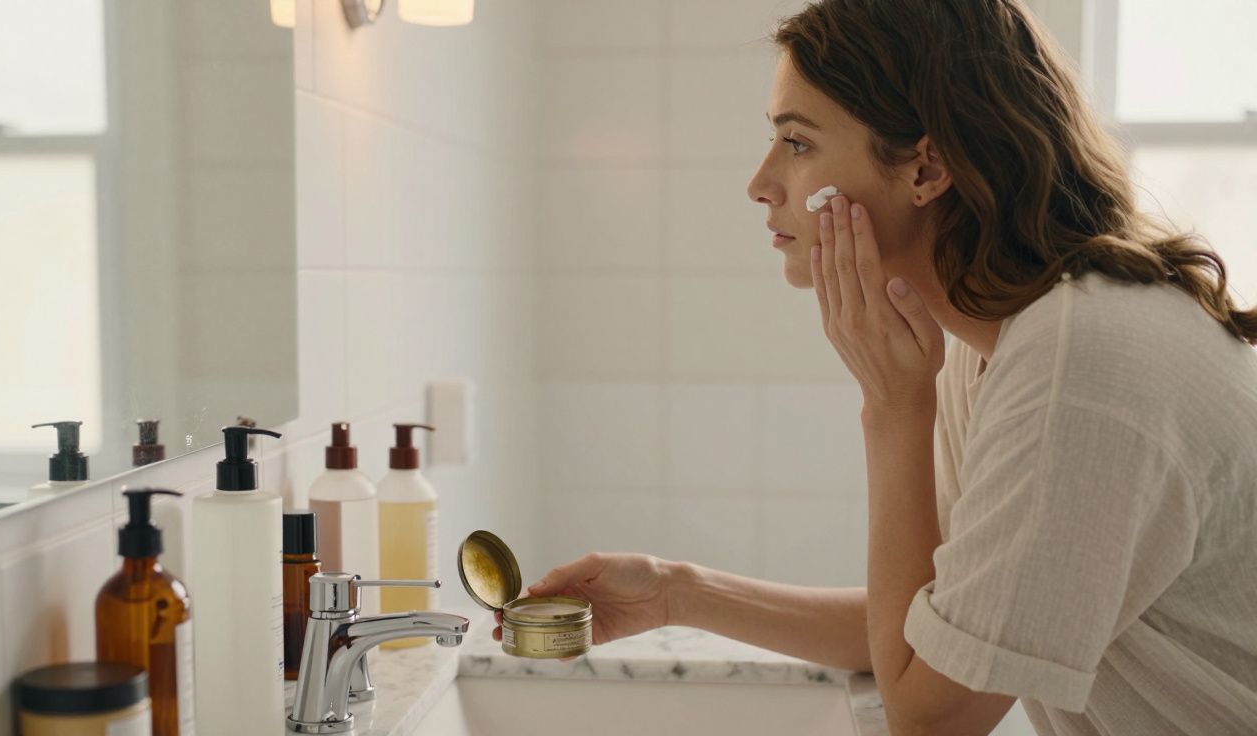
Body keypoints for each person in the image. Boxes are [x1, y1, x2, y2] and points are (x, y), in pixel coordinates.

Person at [501, 1, 1257, 734]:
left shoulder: (1080, 363)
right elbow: (943, 636)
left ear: (926, 169)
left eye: (797, 144)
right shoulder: (1007, 345)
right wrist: (676, 593)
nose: (762, 183)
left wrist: (895, 408)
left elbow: (932, 719)